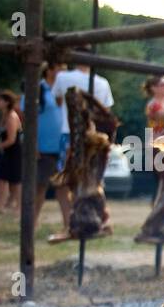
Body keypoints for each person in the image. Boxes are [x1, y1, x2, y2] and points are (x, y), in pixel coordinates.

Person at [49, 64, 113, 241]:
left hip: (74, 136)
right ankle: (88, 221)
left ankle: (74, 224)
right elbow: (108, 110)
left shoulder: (63, 77)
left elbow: (57, 101)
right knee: (87, 181)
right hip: (87, 137)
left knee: (80, 182)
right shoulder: (102, 83)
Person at [33, 61, 69, 231]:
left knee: (63, 186)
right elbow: (28, 119)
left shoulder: (66, 89)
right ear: (49, 70)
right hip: (43, 147)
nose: (64, 71)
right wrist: (32, 144)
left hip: (63, 145)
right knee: (40, 186)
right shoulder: (38, 89)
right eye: (60, 67)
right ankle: (32, 222)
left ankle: (68, 224)